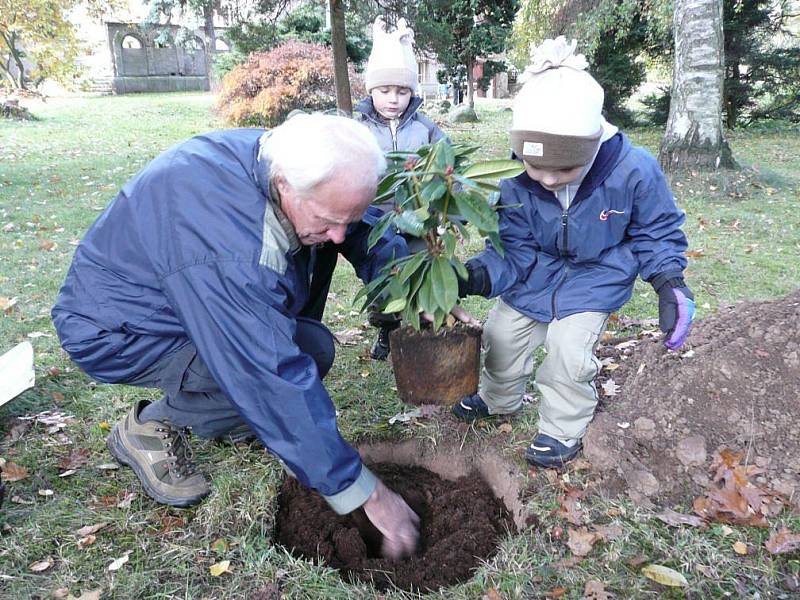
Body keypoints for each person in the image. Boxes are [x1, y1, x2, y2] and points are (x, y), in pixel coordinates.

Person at [51, 114, 420, 559]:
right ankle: (152, 425)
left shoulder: (291, 161)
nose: (338, 235)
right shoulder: (230, 247)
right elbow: (265, 373)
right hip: (118, 328)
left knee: (312, 348)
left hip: (180, 291)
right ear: (285, 186)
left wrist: (413, 289)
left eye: (347, 218)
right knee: (281, 372)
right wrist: (366, 493)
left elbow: (359, 227)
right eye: (327, 221)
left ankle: (239, 418)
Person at [451, 37, 695, 469]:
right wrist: (474, 277)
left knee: (568, 353)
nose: (545, 179)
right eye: (534, 166)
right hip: (535, 275)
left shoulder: (633, 170)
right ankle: (498, 398)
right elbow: (512, 249)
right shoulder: (512, 180)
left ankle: (561, 428)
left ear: (591, 148)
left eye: (562, 169)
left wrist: (668, 281)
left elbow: (656, 229)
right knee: (502, 337)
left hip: (596, 277)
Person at [353, 16, 449, 361]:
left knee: (421, 271)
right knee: (383, 279)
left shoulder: (425, 127)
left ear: (412, 92)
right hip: (375, 219)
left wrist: (442, 208)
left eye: (402, 91)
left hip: (418, 217)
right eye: (385, 91)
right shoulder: (358, 127)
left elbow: (445, 163)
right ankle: (386, 327)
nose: (393, 99)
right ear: (371, 90)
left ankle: (423, 330)